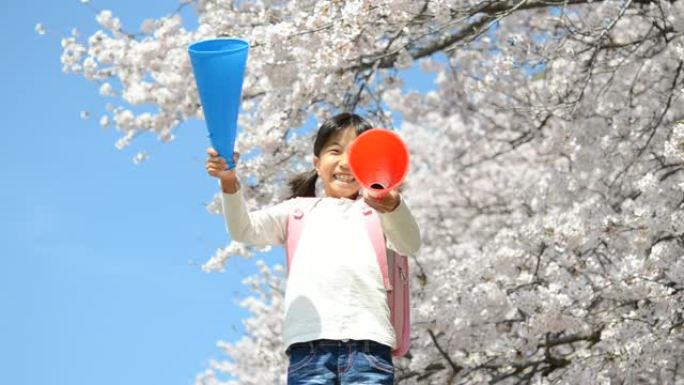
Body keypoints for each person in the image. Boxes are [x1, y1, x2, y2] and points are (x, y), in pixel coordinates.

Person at [205, 112, 421, 385]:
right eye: (335, 151)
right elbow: (242, 229)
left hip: (370, 345)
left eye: (356, 155)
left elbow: (410, 243)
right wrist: (228, 181)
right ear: (317, 164)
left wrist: (392, 206)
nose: (345, 163)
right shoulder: (297, 211)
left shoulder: (378, 211)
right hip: (309, 347)